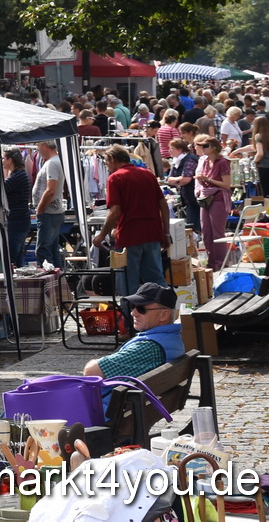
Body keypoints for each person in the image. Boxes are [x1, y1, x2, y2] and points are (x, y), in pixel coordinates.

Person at [92, 144, 171, 293]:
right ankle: (165, 310)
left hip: (130, 234)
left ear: (113, 159)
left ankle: (129, 314)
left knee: (128, 281)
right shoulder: (147, 174)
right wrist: (165, 233)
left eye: (107, 162)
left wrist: (102, 235)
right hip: (152, 232)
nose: (107, 167)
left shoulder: (115, 178)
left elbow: (115, 211)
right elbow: (164, 207)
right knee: (156, 278)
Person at [81, 282, 186, 378]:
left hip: (119, 398)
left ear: (164, 315)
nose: (133, 313)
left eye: (141, 309)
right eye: (133, 307)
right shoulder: (170, 337)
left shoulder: (150, 346)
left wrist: (94, 362)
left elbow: (92, 372)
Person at [193, 135, 234, 270]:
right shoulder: (205, 161)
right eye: (201, 146)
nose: (202, 149)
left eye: (205, 146)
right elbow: (206, 181)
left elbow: (227, 184)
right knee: (206, 232)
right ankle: (211, 262)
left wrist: (207, 180)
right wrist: (201, 180)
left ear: (214, 148)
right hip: (206, 198)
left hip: (218, 199)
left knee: (217, 232)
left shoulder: (222, 162)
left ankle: (221, 262)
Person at [32, 138, 68, 269]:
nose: (37, 149)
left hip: (49, 212)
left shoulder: (52, 163)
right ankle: (59, 284)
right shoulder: (56, 161)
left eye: (38, 145)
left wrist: (40, 208)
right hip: (53, 211)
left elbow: (51, 190)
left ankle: (51, 285)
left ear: (44, 144)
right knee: (52, 250)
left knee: (43, 251)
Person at [2, 150, 33, 266]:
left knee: (11, 258)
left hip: (17, 221)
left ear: (10, 160)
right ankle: (19, 282)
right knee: (18, 257)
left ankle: (13, 282)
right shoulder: (19, 174)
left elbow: (0, 191)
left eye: (4, 158)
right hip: (19, 220)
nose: (2, 161)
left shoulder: (17, 176)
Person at [165, 135, 200, 221]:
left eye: (172, 148)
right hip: (185, 196)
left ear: (180, 150)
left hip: (193, 195)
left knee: (194, 219)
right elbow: (169, 179)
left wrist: (177, 180)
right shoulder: (176, 160)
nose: (169, 151)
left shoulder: (189, 160)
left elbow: (186, 179)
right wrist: (178, 179)